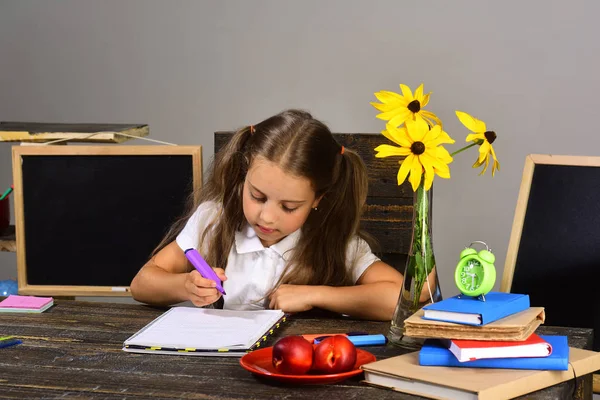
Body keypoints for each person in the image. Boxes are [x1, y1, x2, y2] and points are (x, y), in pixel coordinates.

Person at [130, 109, 403, 320]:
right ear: (243, 176)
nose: (268, 217)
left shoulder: (331, 240)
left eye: (289, 207)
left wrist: (316, 295)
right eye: (257, 197)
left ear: (317, 199)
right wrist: (185, 285)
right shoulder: (213, 220)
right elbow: (142, 284)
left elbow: (399, 298)